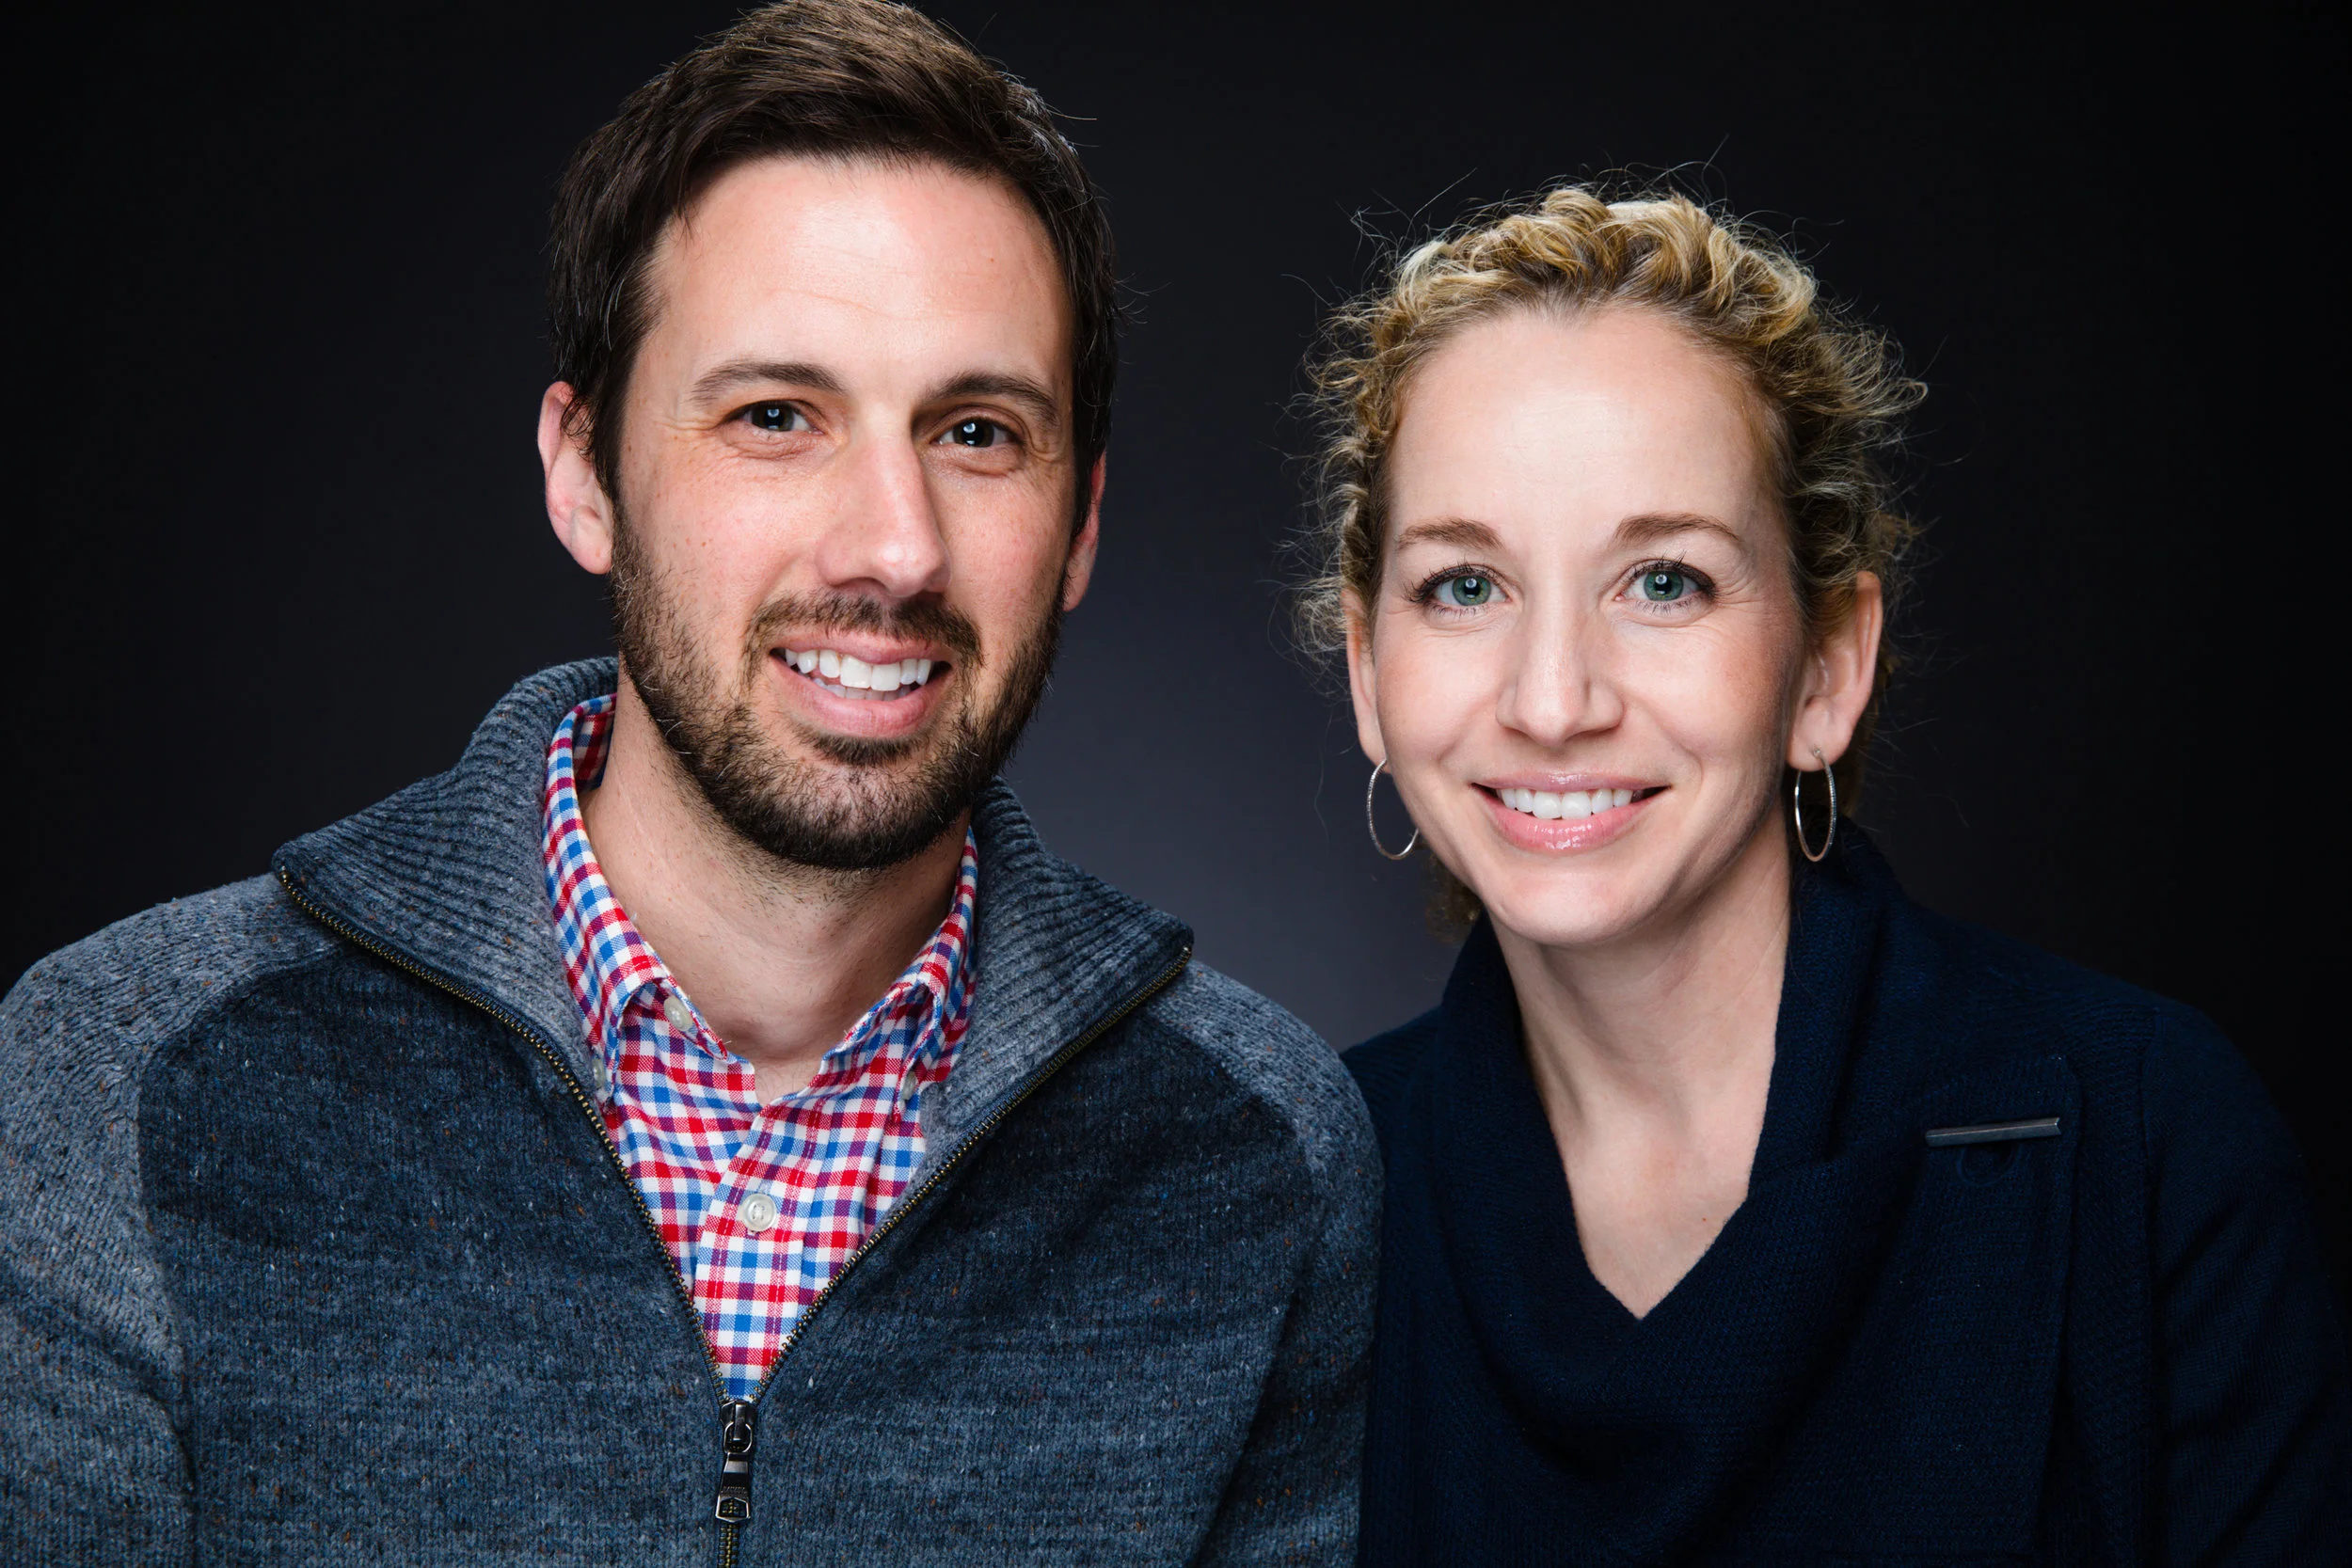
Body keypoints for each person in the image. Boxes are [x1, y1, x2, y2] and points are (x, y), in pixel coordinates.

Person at [0, 4, 1377, 1561]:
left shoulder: (1262, 1155)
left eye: (978, 431)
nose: (894, 546)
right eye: (774, 417)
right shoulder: (121, 1072)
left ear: (1081, 526)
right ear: (583, 474)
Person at [1302, 187, 2351, 1563]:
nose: (1553, 700)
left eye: (1663, 581)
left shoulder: (2148, 1142)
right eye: (1463, 586)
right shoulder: (1304, 1192)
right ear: (1369, 671)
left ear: (1828, 667)